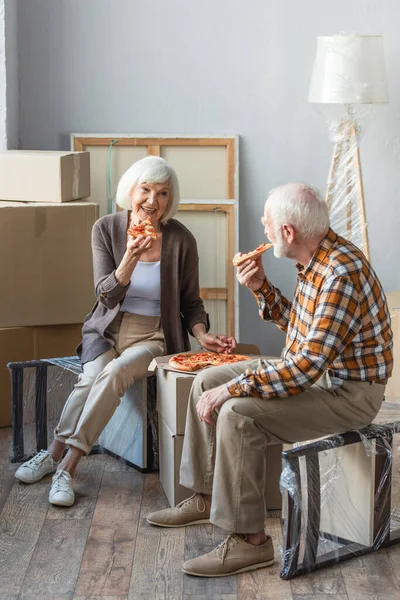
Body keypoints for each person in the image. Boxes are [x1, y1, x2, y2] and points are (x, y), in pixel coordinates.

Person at [146, 182, 393, 578]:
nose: (264, 230)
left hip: (347, 394)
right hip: (316, 374)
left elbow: (306, 367)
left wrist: (237, 388)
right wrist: (262, 288)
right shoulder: (317, 259)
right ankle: (204, 496)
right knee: (207, 380)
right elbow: (301, 332)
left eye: (267, 224)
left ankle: (250, 542)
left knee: (238, 414)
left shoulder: (339, 274)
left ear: (288, 232)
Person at [15, 156, 236, 506]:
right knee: (91, 378)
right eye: (145, 190)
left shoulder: (182, 240)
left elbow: (191, 302)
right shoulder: (105, 228)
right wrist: (130, 258)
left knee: (114, 373)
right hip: (106, 330)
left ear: (170, 199)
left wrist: (201, 334)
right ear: (130, 191)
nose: (152, 201)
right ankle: (54, 450)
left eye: (163, 193)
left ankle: (66, 465)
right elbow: (104, 293)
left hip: (155, 335)